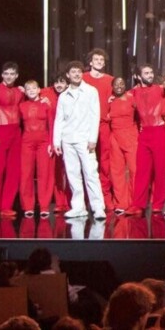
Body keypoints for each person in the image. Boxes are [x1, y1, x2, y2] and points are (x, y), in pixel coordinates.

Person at [53, 61, 107, 220]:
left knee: (91, 173)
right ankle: (78, 207)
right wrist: (57, 141)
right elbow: (59, 120)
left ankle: (98, 207)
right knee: (72, 174)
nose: (76, 74)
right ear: (68, 75)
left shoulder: (91, 91)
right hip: (68, 139)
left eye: (79, 71)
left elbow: (95, 115)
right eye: (73, 72)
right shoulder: (63, 96)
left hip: (84, 139)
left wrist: (92, 139)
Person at [125, 72, 165, 216]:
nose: (150, 75)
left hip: (159, 132)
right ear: (139, 76)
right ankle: (138, 204)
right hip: (145, 133)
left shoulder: (160, 89)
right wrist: (113, 96)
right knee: (142, 171)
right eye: (146, 73)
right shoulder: (134, 91)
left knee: (160, 170)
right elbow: (122, 94)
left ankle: (158, 204)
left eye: (152, 72)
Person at [0, 61, 25, 218]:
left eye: (12, 74)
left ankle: (6, 206)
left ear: (16, 75)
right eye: (6, 74)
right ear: (2, 75)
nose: (9, 76)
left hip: (15, 133)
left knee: (14, 170)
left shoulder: (20, 92)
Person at [82, 50, 116, 203]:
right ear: (90, 62)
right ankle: (87, 196)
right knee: (86, 159)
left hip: (104, 124)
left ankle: (105, 195)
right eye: (96, 59)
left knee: (105, 160)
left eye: (102, 59)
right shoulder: (82, 78)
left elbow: (115, 99)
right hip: (85, 125)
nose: (99, 61)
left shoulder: (110, 79)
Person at [19, 80, 54, 218]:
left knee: (44, 173)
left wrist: (52, 143)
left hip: (44, 142)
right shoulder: (21, 105)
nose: (31, 90)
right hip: (26, 142)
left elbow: (51, 125)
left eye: (34, 88)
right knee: (26, 174)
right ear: (25, 92)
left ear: (39, 90)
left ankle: (44, 206)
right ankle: (28, 206)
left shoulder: (46, 105)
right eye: (28, 89)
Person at [40, 75, 72, 214]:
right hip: (53, 137)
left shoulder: (72, 94)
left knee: (71, 171)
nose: (59, 85)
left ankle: (70, 202)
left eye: (62, 82)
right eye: (56, 82)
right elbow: (31, 91)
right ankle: (59, 202)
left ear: (67, 83)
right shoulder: (46, 93)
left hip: (70, 136)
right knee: (56, 171)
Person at [106, 77, 139, 214]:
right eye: (116, 84)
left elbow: (141, 114)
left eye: (122, 83)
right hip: (115, 136)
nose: (119, 86)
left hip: (130, 135)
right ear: (112, 86)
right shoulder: (110, 100)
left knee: (134, 169)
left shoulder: (131, 98)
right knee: (116, 171)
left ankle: (135, 202)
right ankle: (121, 202)